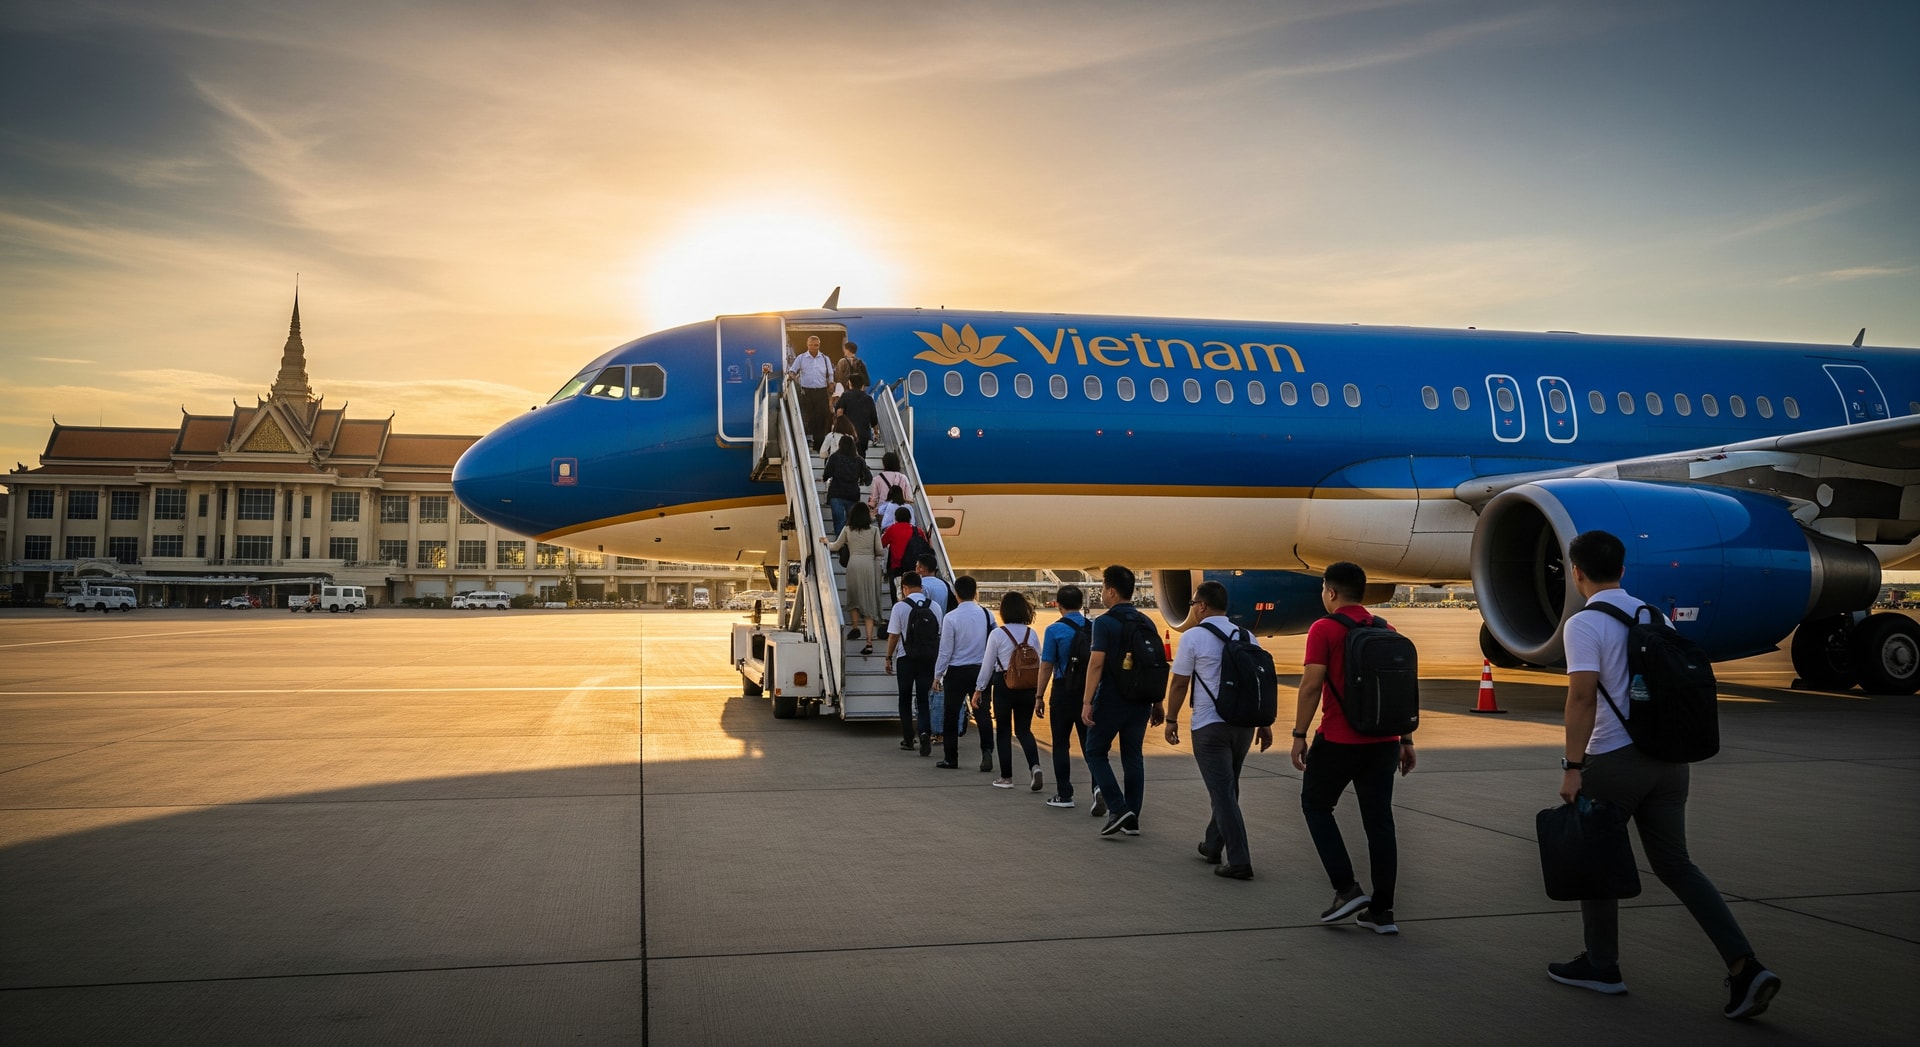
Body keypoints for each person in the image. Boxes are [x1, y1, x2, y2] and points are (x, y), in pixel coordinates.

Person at [1549, 530, 1781, 1019]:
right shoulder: (1651, 615)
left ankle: (1602, 966)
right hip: (1669, 763)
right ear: (1623, 569)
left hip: (1613, 761)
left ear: (1576, 572)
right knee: (1678, 866)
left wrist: (1573, 767)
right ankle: (1745, 966)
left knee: (1597, 864)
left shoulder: (1583, 624)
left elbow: (1582, 697)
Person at [1291, 561, 1415, 933]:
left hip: (1340, 739)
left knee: (1315, 805)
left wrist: (1299, 734)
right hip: (1384, 742)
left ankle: (1346, 888)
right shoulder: (1386, 629)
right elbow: (1400, 688)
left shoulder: (1323, 628)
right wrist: (1406, 740)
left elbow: (1312, 684)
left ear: (1330, 592)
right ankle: (1382, 912)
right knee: (1379, 822)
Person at [1165, 580, 1269, 880]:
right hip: (1244, 726)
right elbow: (1259, 682)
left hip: (1210, 727)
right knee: (1228, 787)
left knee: (1222, 792)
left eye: (1193, 604)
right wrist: (1264, 722)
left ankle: (1239, 860)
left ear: (1201, 606)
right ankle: (1212, 844)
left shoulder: (1193, 637)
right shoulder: (1248, 635)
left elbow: (1180, 682)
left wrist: (1171, 719)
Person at [1081, 565, 1165, 837]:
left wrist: (1086, 701)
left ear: (1112, 591)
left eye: (1104, 587)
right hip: (1141, 700)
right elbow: (1155, 664)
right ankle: (1133, 819)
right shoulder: (1146, 622)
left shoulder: (1104, 623)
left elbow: (1096, 664)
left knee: (1095, 751)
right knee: (1132, 756)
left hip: (1112, 699)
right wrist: (1157, 702)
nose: (1102, 593)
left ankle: (1118, 808)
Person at [1034, 584, 1098, 812]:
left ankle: (1065, 793)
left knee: (1060, 743)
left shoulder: (1054, 630)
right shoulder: (1093, 627)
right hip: (1088, 692)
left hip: (1063, 691)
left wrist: (1039, 695)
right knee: (1090, 744)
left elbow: (1046, 665)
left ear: (1058, 605)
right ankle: (1098, 789)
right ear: (1081, 604)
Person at [974, 592, 1044, 790]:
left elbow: (987, 665)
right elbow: (1039, 661)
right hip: (1028, 687)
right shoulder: (1032, 634)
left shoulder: (997, 634)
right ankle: (1035, 766)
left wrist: (979, 689)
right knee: (1024, 730)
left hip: (1004, 685)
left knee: (1004, 731)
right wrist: (1039, 693)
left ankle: (1007, 777)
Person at [932, 576, 995, 770]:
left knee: (951, 715)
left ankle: (951, 758)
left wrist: (938, 675)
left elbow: (945, 650)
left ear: (955, 593)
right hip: (981, 670)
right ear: (975, 592)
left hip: (956, 671)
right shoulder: (987, 615)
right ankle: (987, 752)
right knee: (983, 712)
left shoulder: (950, 617)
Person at [885, 571, 943, 755]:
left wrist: (888, 658)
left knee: (904, 697)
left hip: (906, 659)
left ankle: (908, 739)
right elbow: (939, 635)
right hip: (928, 659)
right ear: (921, 586)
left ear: (904, 588)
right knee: (924, 698)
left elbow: (893, 635)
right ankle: (925, 732)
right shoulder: (934, 607)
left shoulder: (900, 607)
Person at [821, 502, 884, 656]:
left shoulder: (847, 530)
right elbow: (880, 551)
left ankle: (855, 627)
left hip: (853, 564)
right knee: (869, 602)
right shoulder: (875, 531)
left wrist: (826, 542)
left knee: (854, 596)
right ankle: (869, 642)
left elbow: (835, 547)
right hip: (869, 565)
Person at [822, 438, 869, 539]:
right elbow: (868, 477)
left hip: (836, 493)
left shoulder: (834, 457)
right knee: (851, 523)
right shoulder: (859, 460)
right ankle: (849, 544)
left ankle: (840, 546)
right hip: (852, 494)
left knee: (838, 522)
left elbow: (826, 474)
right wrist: (862, 481)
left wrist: (826, 478)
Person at [792, 335, 833, 448]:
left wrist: (831, 383)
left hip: (821, 391)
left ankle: (818, 443)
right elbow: (792, 371)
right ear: (807, 345)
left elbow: (830, 374)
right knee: (809, 417)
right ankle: (806, 442)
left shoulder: (825, 358)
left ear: (819, 345)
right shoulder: (801, 358)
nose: (813, 347)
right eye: (811, 345)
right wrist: (793, 378)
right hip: (807, 392)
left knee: (820, 417)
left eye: (815, 345)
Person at [880, 507, 917, 601]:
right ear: (909, 518)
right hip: (914, 568)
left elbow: (881, 544)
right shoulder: (917, 530)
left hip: (897, 568)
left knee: (897, 595)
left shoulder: (892, 529)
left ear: (896, 518)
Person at [837, 372, 878, 454]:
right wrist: (876, 433)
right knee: (861, 454)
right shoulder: (868, 399)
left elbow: (839, 412)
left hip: (848, 433)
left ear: (850, 383)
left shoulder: (845, 396)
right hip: (863, 434)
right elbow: (873, 418)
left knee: (846, 454)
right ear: (862, 385)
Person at [869, 453, 912, 518]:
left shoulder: (877, 479)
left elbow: (873, 499)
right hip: (901, 513)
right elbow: (909, 498)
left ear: (884, 464)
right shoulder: (903, 478)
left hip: (884, 512)